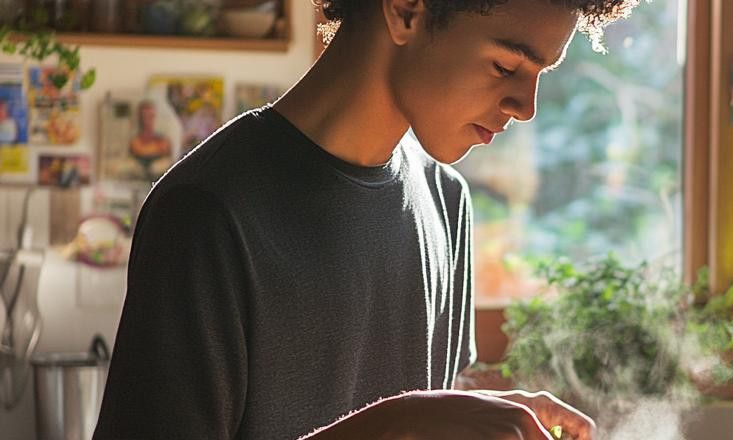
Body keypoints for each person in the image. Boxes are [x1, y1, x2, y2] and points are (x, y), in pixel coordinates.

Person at [93, 0, 637, 439]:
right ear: (404, 12)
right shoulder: (207, 213)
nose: (527, 105)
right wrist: (399, 425)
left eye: (540, 72)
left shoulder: (447, 204)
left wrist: (472, 415)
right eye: (505, 65)